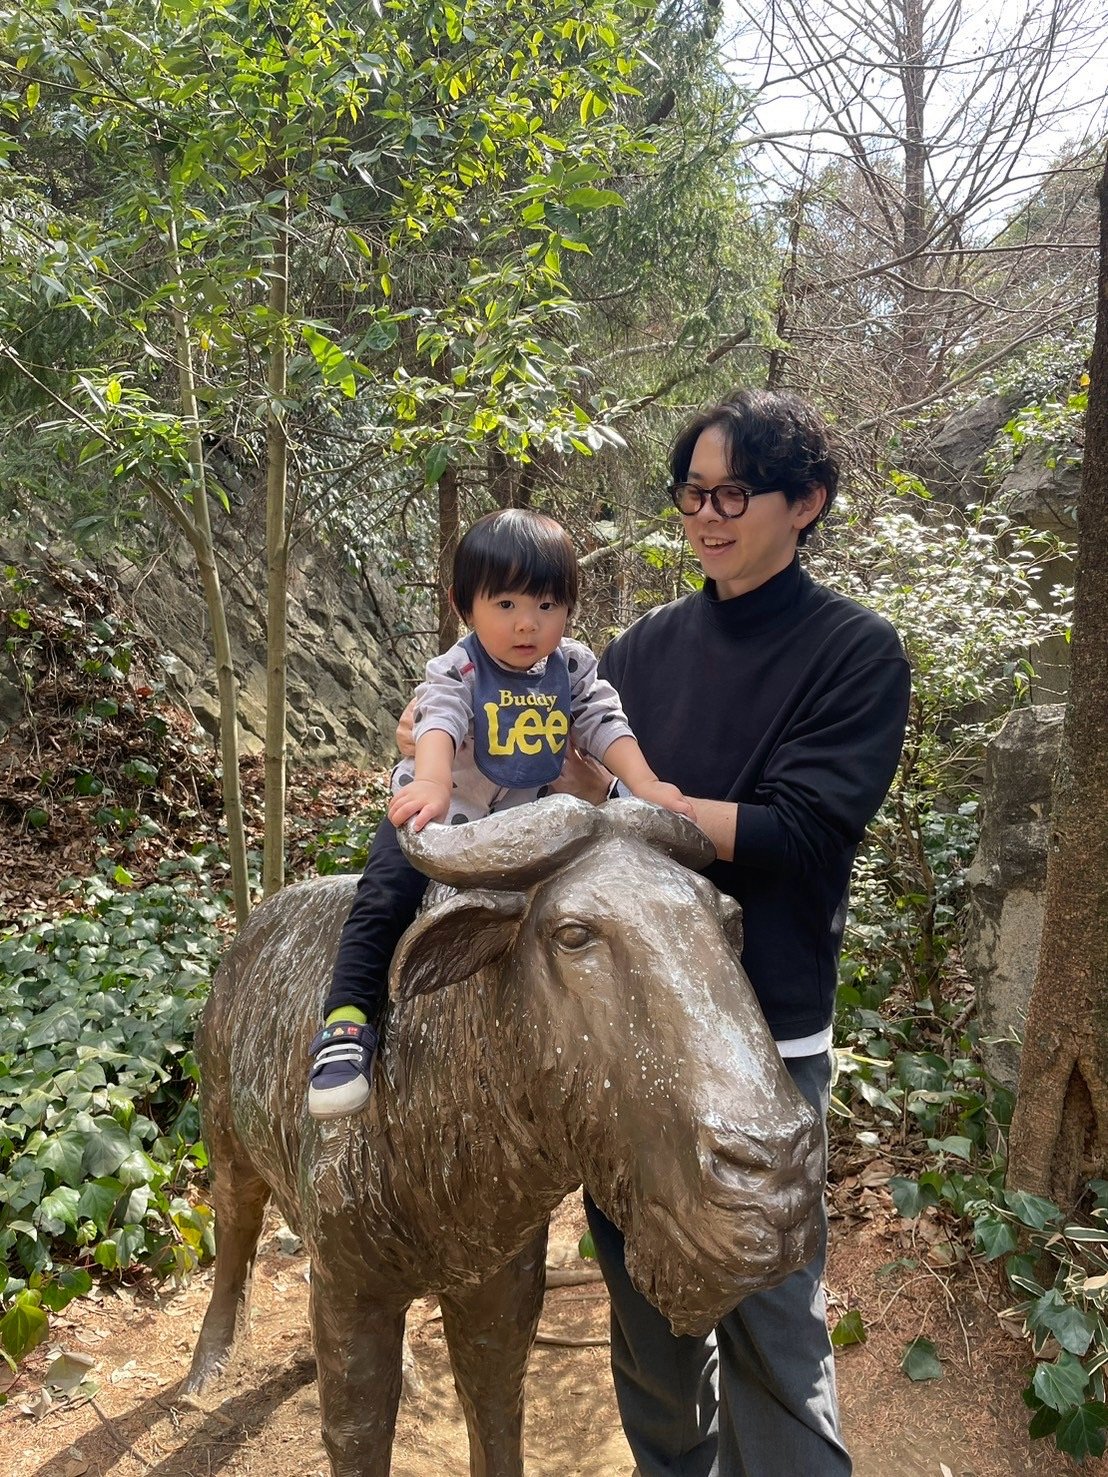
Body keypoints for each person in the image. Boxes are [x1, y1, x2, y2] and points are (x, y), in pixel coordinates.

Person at [568, 388, 911, 1475]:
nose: (707, 516)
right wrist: (478, 751)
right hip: (629, 1036)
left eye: (733, 494)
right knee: (649, 1316)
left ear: (806, 501)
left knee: (771, 1321)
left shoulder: (854, 651)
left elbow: (798, 834)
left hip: (765, 1032)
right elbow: (584, 803)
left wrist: (652, 809)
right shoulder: (641, 647)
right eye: (692, 494)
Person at [307, 506, 692, 1120]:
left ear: (568, 608)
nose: (527, 623)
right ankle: (346, 1024)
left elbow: (603, 723)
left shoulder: (571, 667)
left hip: (528, 825)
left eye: (546, 604)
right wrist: (431, 782)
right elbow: (438, 718)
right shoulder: (459, 667)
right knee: (382, 896)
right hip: (440, 815)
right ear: (465, 605)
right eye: (506, 604)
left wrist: (644, 785)